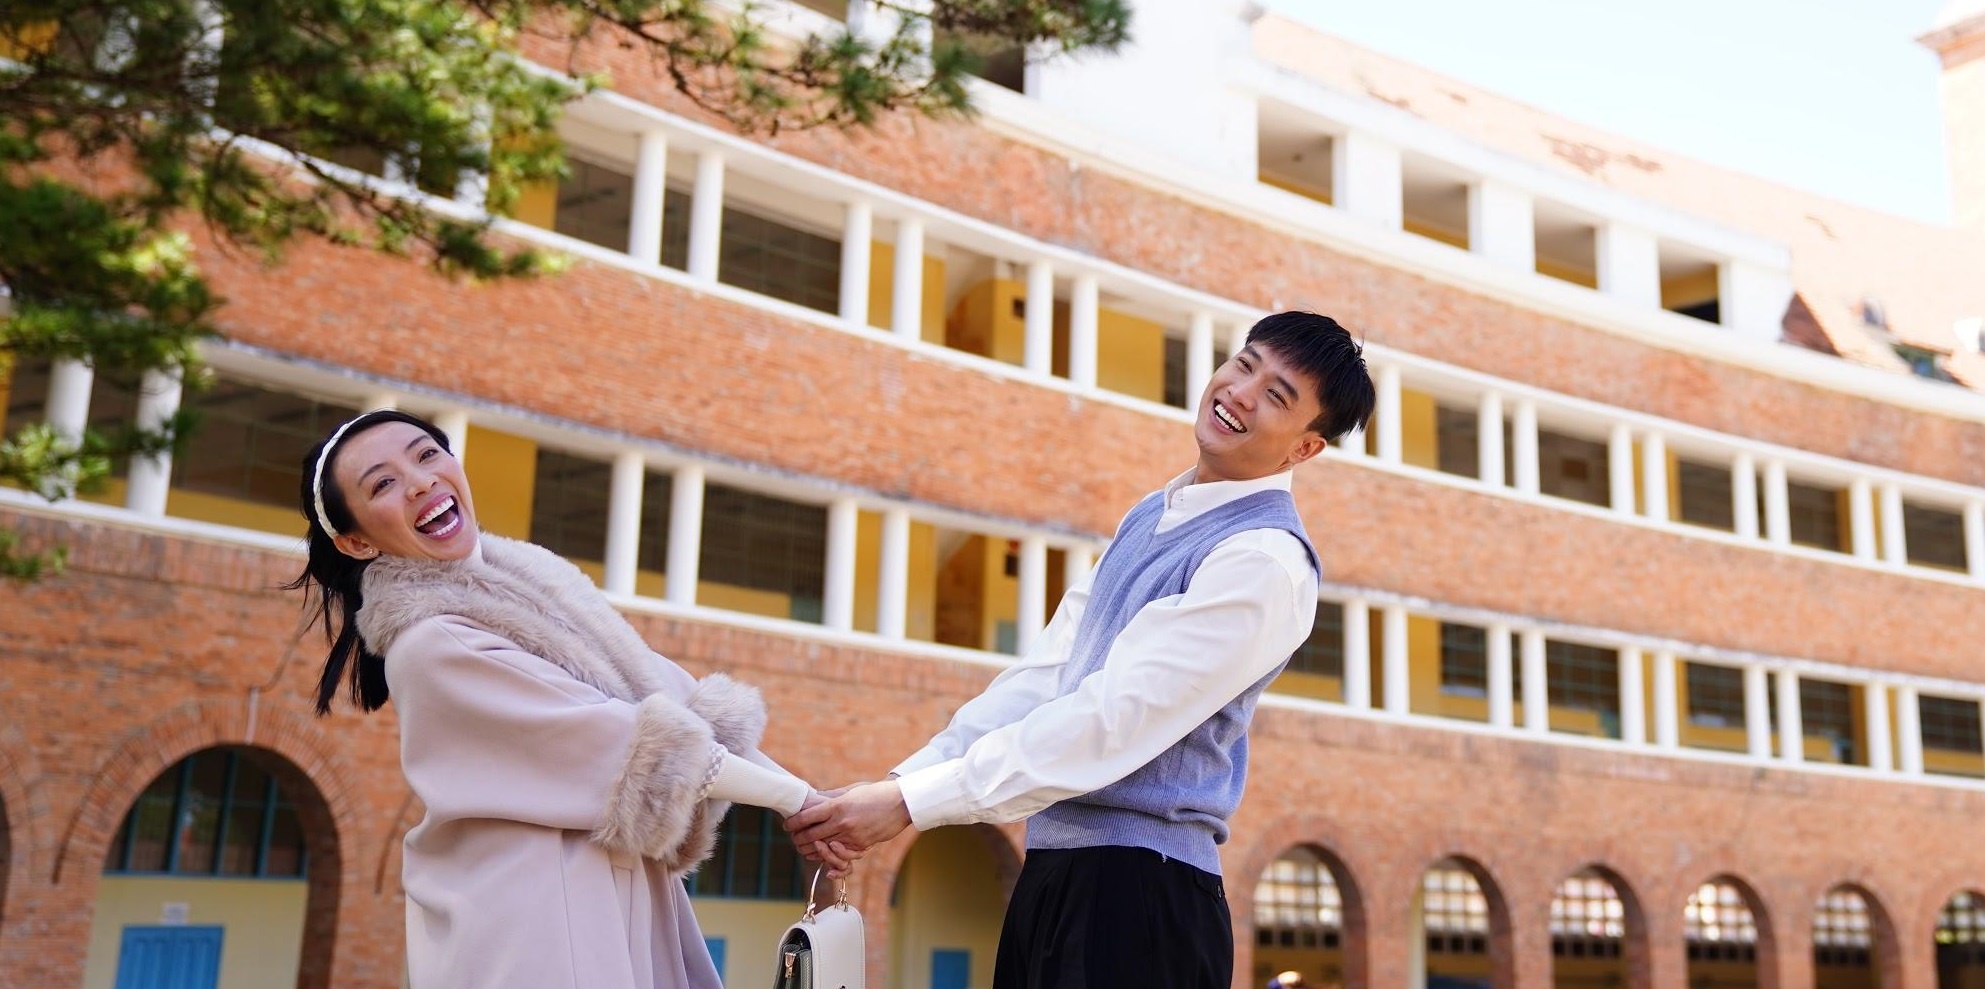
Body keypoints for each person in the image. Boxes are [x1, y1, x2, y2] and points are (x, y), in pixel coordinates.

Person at [786, 310, 1376, 989]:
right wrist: (899, 784)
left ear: (1304, 448)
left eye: (1276, 394)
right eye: (1245, 364)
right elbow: (1047, 674)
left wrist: (912, 803)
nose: (1240, 391)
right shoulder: (1150, 514)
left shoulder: (1264, 557)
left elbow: (1109, 720)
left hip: (1143, 897)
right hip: (1058, 874)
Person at [291, 409, 839, 989]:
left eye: (427, 454)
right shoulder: (432, 643)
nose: (421, 481)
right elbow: (638, 747)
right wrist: (801, 802)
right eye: (383, 483)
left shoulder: (536, 577)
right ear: (354, 541)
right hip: (541, 914)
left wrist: (810, 801)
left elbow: (680, 707)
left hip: (614, 893)